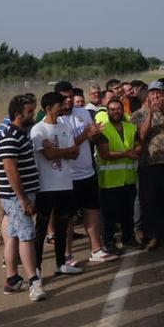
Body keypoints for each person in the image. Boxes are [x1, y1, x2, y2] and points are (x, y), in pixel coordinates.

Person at [0, 92, 44, 301]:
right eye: (29, 112)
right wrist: (23, 198)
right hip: (16, 197)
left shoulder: (21, 133)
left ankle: (12, 279)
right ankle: (34, 281)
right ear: (17, 114)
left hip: (19, 196)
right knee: (26, 236)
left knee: (14, 236)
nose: (32, 115)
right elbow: (10, 170)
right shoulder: (10, 136)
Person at [60, 84, 115, 265]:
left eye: (70, 96)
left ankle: (96, 249)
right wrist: (84, 135)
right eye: (64, 97)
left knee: (92, 210)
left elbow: (93, 137)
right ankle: (67, 256)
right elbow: (63, 148)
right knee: (67, 217)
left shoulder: (82, 113)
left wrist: (96, 135)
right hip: (67, 176)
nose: (68, 100)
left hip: (87, 172)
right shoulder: (54, 119)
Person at [30, 92, 85, 277]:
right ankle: (36, 269)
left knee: (63, 226)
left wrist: (58, 150)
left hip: (65, 184)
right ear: (48, 108)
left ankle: (61, 263)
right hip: (46, 186)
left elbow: (74, 152)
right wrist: (63, 151)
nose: (62, 107)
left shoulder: (64, 125)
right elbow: (48, 155)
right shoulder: (38, 130)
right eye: (59, 105)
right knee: (42, 229)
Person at [95, 98, 140, 252]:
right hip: (110, 181)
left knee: (128, 213)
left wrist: (136, 151)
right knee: (109, 216)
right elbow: (105, 154)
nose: (116, 112)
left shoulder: (131, 127)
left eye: (118, 109)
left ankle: (129, 238)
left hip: (129, 178)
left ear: (123, 110)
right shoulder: (103, 129)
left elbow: (138, 144)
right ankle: (109, 242)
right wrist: (126, 153)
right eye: (112, 109)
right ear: (107, 112)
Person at [134, 81, 164, 250]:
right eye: (153, 93)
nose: (156, 96)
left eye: (159, 93)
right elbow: (141, 135)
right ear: (148, 96)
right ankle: (152, 235)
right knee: (149, 201)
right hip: (148, 163)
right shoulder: (138, 114)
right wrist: (151, 113)